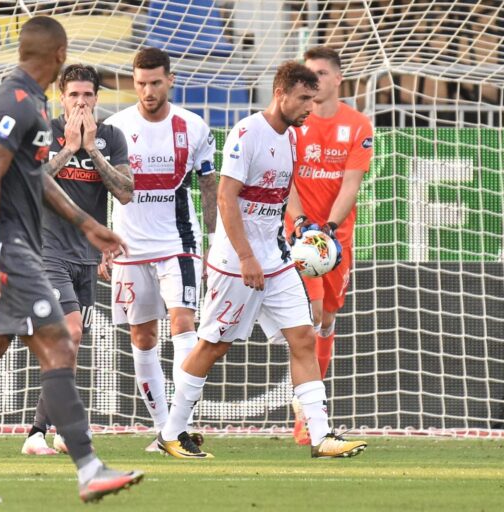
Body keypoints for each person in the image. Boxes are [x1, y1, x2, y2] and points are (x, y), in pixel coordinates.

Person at [0, 17, 143, 504]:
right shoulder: (14, 103)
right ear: (59, 56)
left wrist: (86, 224)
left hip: (9, 247)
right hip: (11, 248)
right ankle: (89, 468)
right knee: (61, 344)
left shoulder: (31, 104)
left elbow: (36, 179)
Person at [156, 61, 367, 459]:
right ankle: (171, 433)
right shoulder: (247, 133)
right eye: (303, 99)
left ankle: (321, 436)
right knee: (212, 346)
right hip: (237, 263)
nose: (310, 107)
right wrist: (246, 256)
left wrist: (299, 221)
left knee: (304, 337)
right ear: (280, 94)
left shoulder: (292, 137)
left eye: (313, 99)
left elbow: (282, 190)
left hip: (276, 258)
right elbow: (225, 197)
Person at [102, 47, 218, 451]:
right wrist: (102, 241)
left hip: (178, 243)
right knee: (142, 335)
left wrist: (215, 243)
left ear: (170, 80)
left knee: (183, 324)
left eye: (155, 83)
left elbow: (209, 186)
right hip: (129, 248)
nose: (148, 91)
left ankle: (180, 426)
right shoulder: (115, 127)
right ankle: (162, 429)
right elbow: (100, 189)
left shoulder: (194, 127)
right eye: (140, 84)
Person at [20, 64, 134, 456]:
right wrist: (68, 148)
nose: (81, 103)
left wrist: (91, 151)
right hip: (47, 251)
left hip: (87, 257)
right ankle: (51, 429)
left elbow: (126, 192)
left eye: (88, 95)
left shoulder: (111, 137)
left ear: (97, 98)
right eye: (74, 95)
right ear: (61, 97)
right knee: (70, 334)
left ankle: (45, 432)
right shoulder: (43, 132)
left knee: (70, 346)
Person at [281, 46, 374, 446]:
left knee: (327, 320)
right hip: (301, 237)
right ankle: (308, 415)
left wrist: (330, 229)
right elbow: (285, 179)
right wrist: (303, 223)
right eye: (308, 74)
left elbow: (351, 184)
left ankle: (308, 407)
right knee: (312, 315)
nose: (314, 81)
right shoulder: (294, 124)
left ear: (338, 78)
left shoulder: (357, 125)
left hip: (336, 239)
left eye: (320, 73)